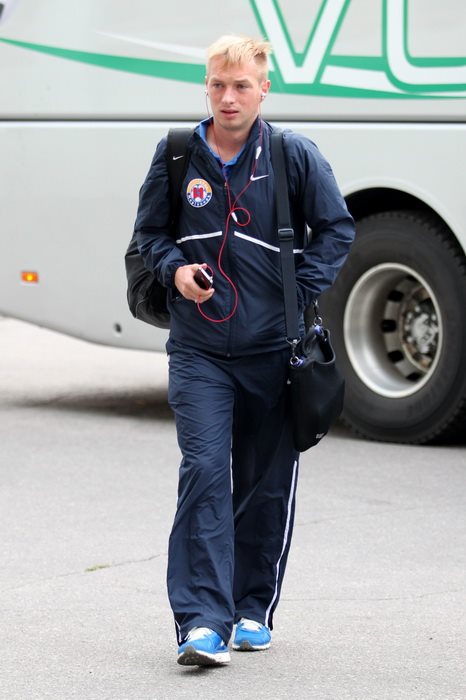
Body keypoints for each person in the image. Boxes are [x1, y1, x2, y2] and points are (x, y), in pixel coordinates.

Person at [134, 34, 355, 667]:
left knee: (265, 484)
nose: (227, 98)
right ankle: (202, 622)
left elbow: (336, 229)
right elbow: (150, 233)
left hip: (273, 353)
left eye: (240, 86)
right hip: (199, 352)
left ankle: (252, 605)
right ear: (206, 88)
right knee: (205, 473)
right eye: (217, 85)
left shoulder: (292, 154)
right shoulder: (177, 153)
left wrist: (295, 293)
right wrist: (175, 270)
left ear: (263, 90)